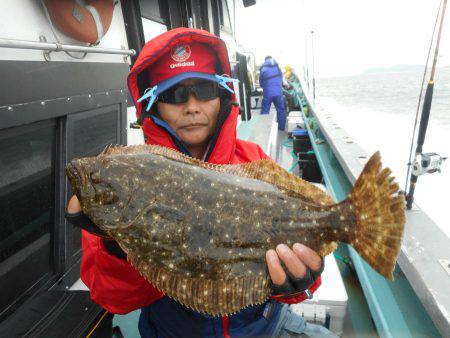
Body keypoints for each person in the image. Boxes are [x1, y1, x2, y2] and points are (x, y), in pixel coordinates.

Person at [66, 28, 332, 337]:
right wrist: (117, 248)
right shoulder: (128, 176)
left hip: (266, 327)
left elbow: (298, 282)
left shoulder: (254, 160)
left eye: (205, 91)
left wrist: (298, 283)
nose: (192, 106)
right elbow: (113, 299)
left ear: (221, 96)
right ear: (153, 104)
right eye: (174, 95)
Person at [259, 56, 286, 131]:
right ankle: (281, 128)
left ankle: (264, 127)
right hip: (278, 93)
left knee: (265, 110)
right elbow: (281, 80)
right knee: (281, 110)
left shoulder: (263, 69)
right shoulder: (278, 68)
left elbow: (261, 83)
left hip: (268, 93)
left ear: (265, 61)